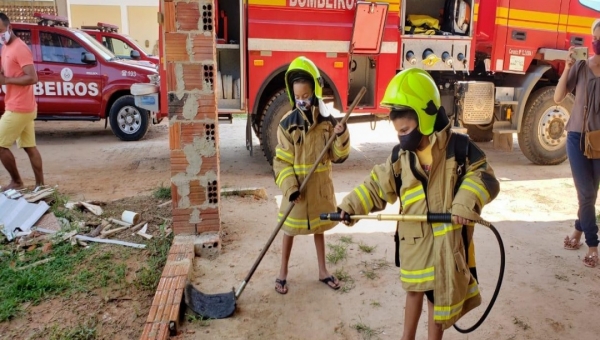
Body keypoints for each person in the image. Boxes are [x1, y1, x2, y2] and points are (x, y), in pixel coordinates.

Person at [337, 68, 499, 340]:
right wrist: (351, 206)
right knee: (414, 291)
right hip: (414, 245)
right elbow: (377, 186)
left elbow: (485, 176)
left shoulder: (457, 148)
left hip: (446, 245)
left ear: (424, 119)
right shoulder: (401, 157)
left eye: (406, 130)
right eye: (398, 131)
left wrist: (464, 204)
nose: (402, 137)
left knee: (438, 297)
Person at [273, 56, 350, 294]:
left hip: (318, 189)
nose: (302, 101)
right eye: (298, 97)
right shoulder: (287, 125)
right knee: (288, 230)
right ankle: (282, 273)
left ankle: (322, 271)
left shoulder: (327, 122)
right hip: (298, 192)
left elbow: (338, 155)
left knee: (319, 229)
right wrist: (290, 188)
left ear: (315, 92)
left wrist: (341, 134)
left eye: (306, 96)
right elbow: (281, 161)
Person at [554, 19, 600, 268]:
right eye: (596, 38)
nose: (598, 43)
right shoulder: (581, 67)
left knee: (590, 195)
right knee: (586, 193)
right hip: (576, 138)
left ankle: (577, 232)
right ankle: (593, 245)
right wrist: (566, 68)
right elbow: (558, 97)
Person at [0, 13, 43, 191]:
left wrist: (7, 80)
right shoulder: (5, 47)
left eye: (0, 30)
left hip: (19, 107)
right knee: (29, 146)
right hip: (20, 105)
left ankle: (17, 181)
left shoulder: (20, 48)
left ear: (9, 27)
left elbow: (33, 78)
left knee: (0, 145)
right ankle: (41, 185)